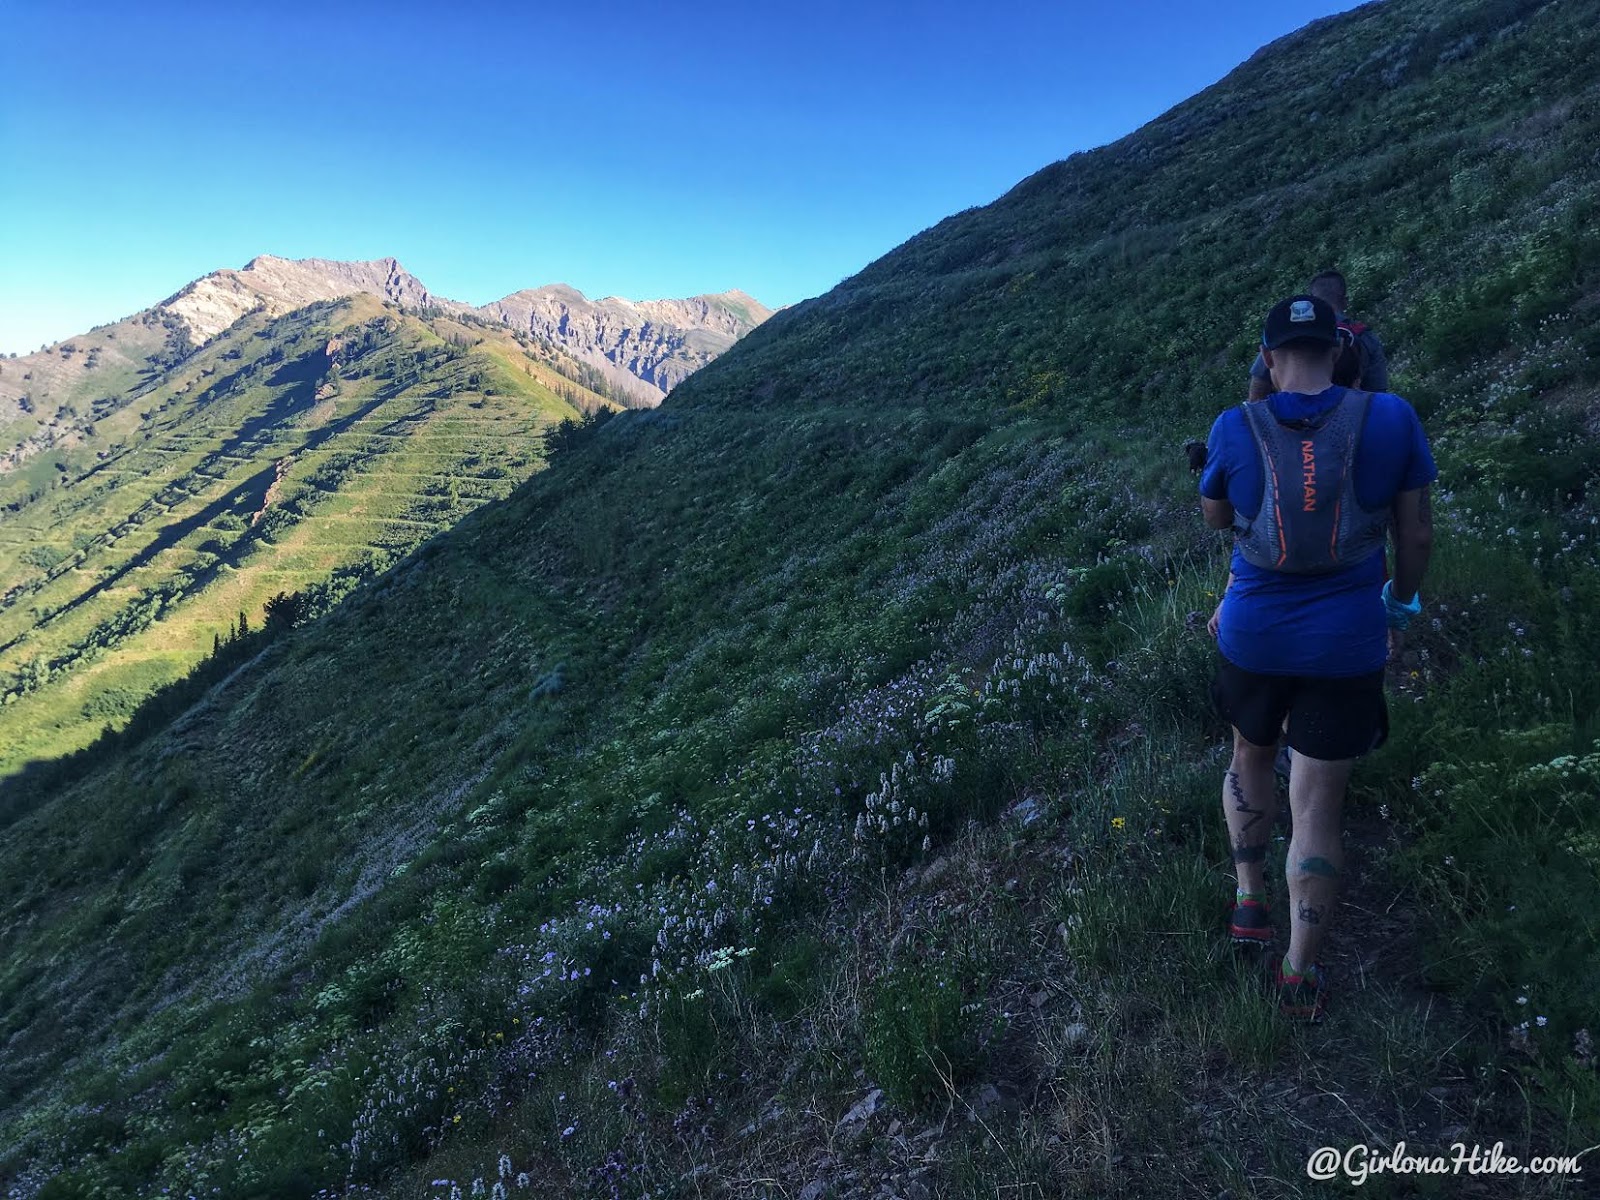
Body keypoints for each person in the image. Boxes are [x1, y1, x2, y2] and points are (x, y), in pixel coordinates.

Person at [1199, 294, 1435, 1021]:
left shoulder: (1234, 425)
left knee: (1250, 757)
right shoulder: (1392, 417)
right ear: (1337, 350)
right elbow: (1416, 534)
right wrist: (1400, 600)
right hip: (1347, 641)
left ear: (1269, 359)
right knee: (1320, 804)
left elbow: (1217, 520)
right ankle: (1299, 973)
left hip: (1254, 636)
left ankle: (1248, 903)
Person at [1248, 270, 1388, 401]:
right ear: (1345, 301)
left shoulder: (1288, 330)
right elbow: (1378, 392)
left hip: (1291, 419)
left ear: (1312, 300)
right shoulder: (1365, 337)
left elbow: (1259, 383)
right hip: (1351, 418)